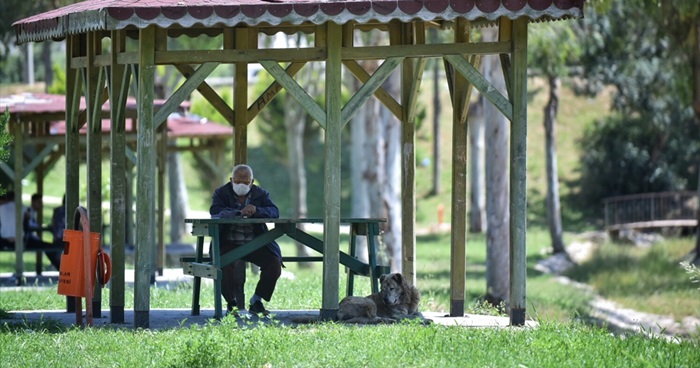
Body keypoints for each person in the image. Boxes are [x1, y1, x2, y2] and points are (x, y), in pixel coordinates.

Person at [210, 164, 282, 316]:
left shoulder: (261, 194)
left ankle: (257, 300)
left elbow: (274, 211)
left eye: (245, 180)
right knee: (222, 264)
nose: (241, 184)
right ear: (231, 180)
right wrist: (238, 212)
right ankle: (231, 303)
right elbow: (215, 212)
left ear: (252, 181)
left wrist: (257, 211)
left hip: (255, 242)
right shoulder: (221, 193)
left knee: (274, 263)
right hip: (228, 241)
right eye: (237, 180)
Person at [0, 192, 61, 270]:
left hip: (4, 241)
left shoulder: (1, 208)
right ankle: (60, 267)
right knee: (48, 247)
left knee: (45, 246)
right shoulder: (24, 208)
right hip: (20, 241)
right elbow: (28, 222)